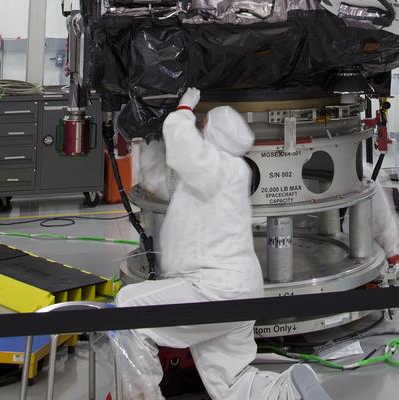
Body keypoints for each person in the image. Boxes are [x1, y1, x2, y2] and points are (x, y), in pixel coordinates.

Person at [113, 89, 331, 400]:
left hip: (213, 290)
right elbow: (163, 178)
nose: (199, 128)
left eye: (204, 125)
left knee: (129, 308)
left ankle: (141, 396)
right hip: (239, 291)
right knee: (229, 378)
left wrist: (183, 110)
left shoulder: (216, 167)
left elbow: (183, 148)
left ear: (214, 135)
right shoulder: (229, 172)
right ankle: (287, 392)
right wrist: (149, 143)